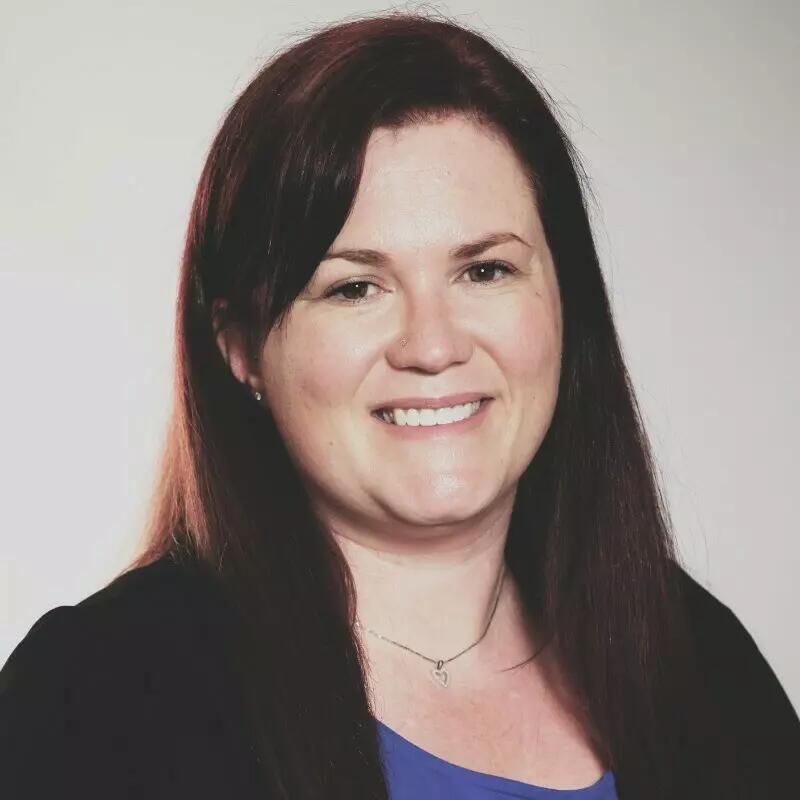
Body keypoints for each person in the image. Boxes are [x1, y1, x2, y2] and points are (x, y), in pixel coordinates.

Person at [1, 11, 798, 800]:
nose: (432, 343)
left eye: (484, 271)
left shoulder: (702, 667)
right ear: (241, 346)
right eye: (356, 287)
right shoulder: (101, 693)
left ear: (565, 299)